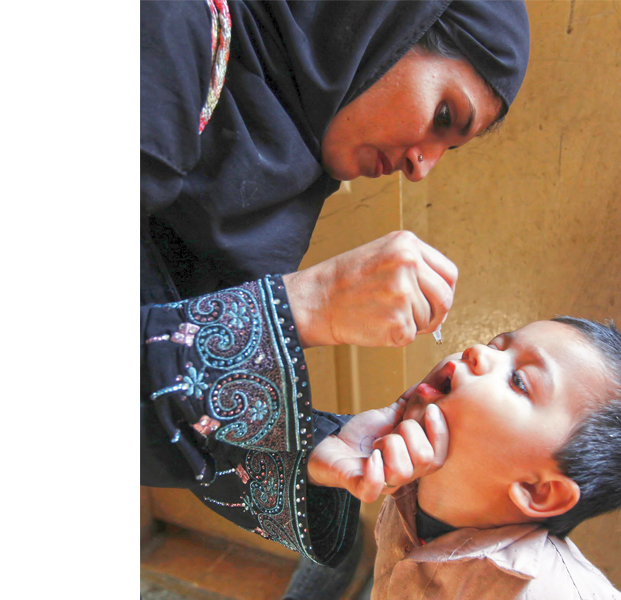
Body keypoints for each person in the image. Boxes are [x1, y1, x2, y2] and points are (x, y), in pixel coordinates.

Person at [140, 0, 530, 573]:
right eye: (445, 115)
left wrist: (317, 447)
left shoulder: (283, 173)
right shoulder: (167, 28)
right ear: (381, 17)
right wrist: (308, 306)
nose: (422, 166)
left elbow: (161, 375)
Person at [320, 316, 621, 599]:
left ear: (538, 490)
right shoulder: (402, 489)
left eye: (519, 380)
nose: (477, 352)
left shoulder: (554, 592)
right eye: (497, 345)